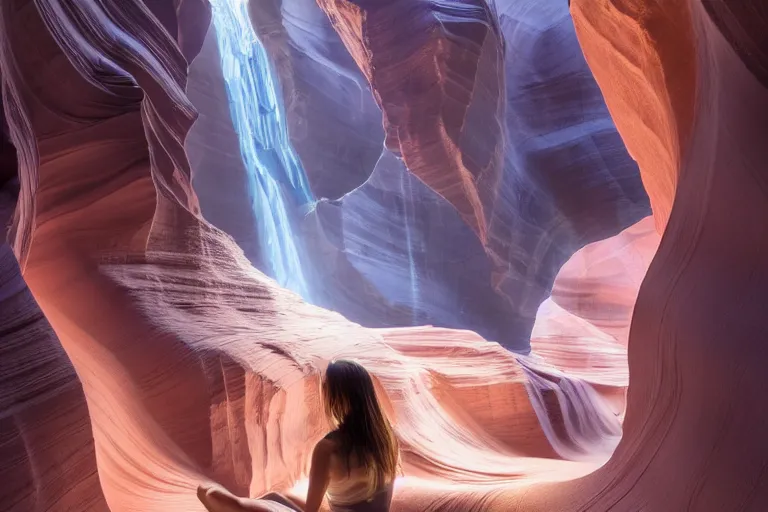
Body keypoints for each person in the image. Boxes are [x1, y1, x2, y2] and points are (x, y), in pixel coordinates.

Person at [199, 359, 399, 512]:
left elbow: (311, 510)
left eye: (326, 389)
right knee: (275, 496)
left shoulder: (329, 449)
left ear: (337, 397)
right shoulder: (386, 436)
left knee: (209, 493)